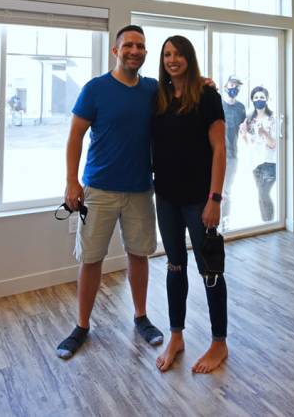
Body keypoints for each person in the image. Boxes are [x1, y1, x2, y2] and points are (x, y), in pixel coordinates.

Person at [56, 25, 165, 359]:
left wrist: (205, 83)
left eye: (141, 46)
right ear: (116, 51)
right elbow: (75, 135)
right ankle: (81, 326)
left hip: (140, 189)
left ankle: (141, 317)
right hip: (99, 190)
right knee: (91, 259)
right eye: (129, 45)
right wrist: (72, 181)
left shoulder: (153, 89)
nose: (135, 51)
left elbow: (183, 91)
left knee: (139, 254)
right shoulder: (96, 89)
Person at [150, 35, 229, 373]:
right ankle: (176, 336)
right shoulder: (158, 97)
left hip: (200, 200)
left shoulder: (207, 96)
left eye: (179, 54)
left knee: (210, 269)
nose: (172, 59)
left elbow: (220, 149)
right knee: (175, 266)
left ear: (189, 58)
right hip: (166, 198)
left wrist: (215, 199)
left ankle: (219, 342)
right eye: (167, 54)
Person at [242, 85, 276, 223]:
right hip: (255, 163)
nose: (259, 100)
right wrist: (244, 134)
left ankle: (269, 223)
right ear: (252, 100)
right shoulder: (249, 119)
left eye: (262, 97)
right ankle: (266, 223)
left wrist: (264, 133)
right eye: (256, 97)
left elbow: (273, 144)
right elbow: (248, 143)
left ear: (266, 99)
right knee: (261, 196)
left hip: (269, 162)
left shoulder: (272, 118)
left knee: (263, 194)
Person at [220, 76, 246, 229]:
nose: (233, 89)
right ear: (226, 87)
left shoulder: (241, 108)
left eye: (236, 86)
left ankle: (225, 223)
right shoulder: (218, 104)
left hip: (232, 155)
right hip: (215, 154)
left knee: (226, 192)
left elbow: (244, 130)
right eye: (231, 85)